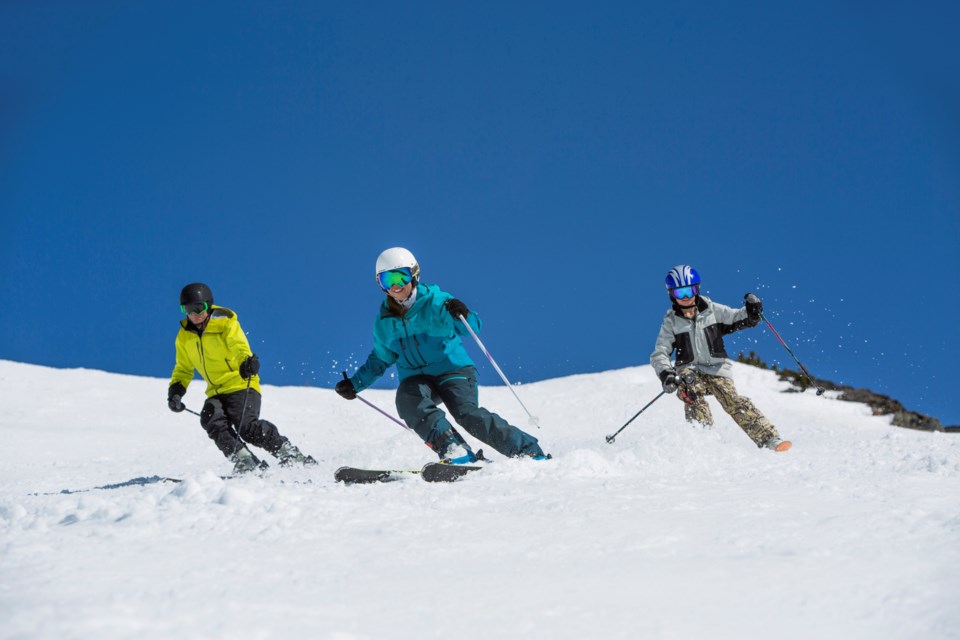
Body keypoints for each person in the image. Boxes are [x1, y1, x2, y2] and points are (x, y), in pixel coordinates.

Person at [335, 247, 547, 462]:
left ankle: (527, 450)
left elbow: (471, 328)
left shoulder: (438, 302)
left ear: (414, 275)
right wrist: (355, 383)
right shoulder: (383, 322)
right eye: (387, 280)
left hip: (452, 369)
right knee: (409, 401)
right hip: (416, 378)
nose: (396, 286)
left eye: (401, 277)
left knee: (466, 413)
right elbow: (381, 358)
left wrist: (461, 313)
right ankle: (457, 452)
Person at [167, 283, 316, 473]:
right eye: (188, 309)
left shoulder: (225, 324)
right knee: (210, 418)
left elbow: (239, 346)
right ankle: (245, 461)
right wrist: (176, 392)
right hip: (216, 391)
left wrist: (246, 362)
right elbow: (183, 368)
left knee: (246, 427)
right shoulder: (184, 337)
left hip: (240, 384)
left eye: (199, 308)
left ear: (209, 305)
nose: (195, 314)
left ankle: (289, 454)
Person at [649, 265, 792, 452]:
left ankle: (769, 439)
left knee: (732, 400)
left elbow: (736, 317)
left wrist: (751, 312)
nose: (686, 297)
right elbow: (660, 352)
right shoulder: (671, 321)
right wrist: (666, 373)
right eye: (680, 293)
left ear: (697, 289)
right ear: (671, 294)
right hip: (689, 368)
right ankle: (702, 438)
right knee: (690, 390)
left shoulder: (712, 310)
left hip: (717, 368)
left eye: (689, 290)